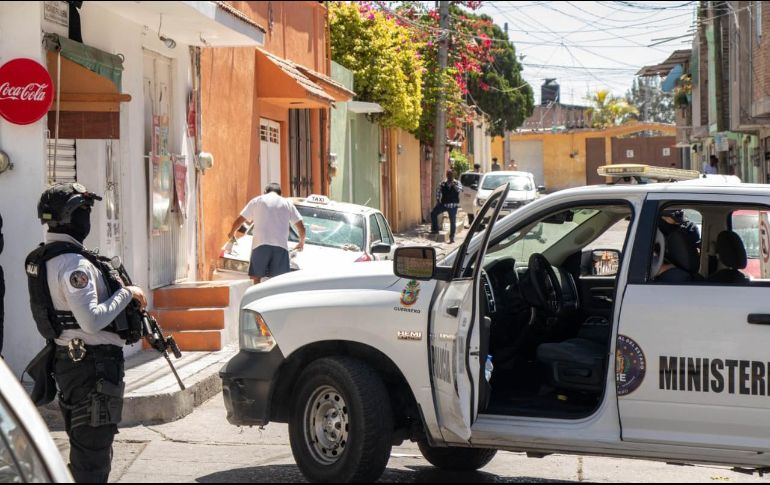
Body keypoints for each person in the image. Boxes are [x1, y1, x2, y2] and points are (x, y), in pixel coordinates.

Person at [25, 183, 147, 483]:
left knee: (87, 446)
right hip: (93, 368)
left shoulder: (44, 257)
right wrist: (128, 294)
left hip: (72, 363)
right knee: (92, 456)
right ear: (71, 217)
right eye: (84, 212)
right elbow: (92, 320)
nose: (87, 219)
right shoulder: (73, 265)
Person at [227, 183, 306, 284]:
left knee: (255, 279)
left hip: (260, 244)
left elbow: (240, 220)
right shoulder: (287, 203)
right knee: (279, 281)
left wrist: (231, 233)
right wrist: (301, 242)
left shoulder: (257, 200)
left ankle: (255, 297)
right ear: (280, 194)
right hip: (280, 246)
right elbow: (301, 227)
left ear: (265, 192)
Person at [430, 170, 463, 243]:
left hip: (453, 206)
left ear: (453, 175)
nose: (449, 176)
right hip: (444, 204)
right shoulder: (442, 183)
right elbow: (438, 191)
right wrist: (438, 200)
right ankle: (435, 229)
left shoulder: (457, 183)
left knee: (452, 221)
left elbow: (459, 190)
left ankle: (452, 237)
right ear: (446, 175)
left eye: (451, 175)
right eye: (448, 175)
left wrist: (453, 184)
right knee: (433, 213)